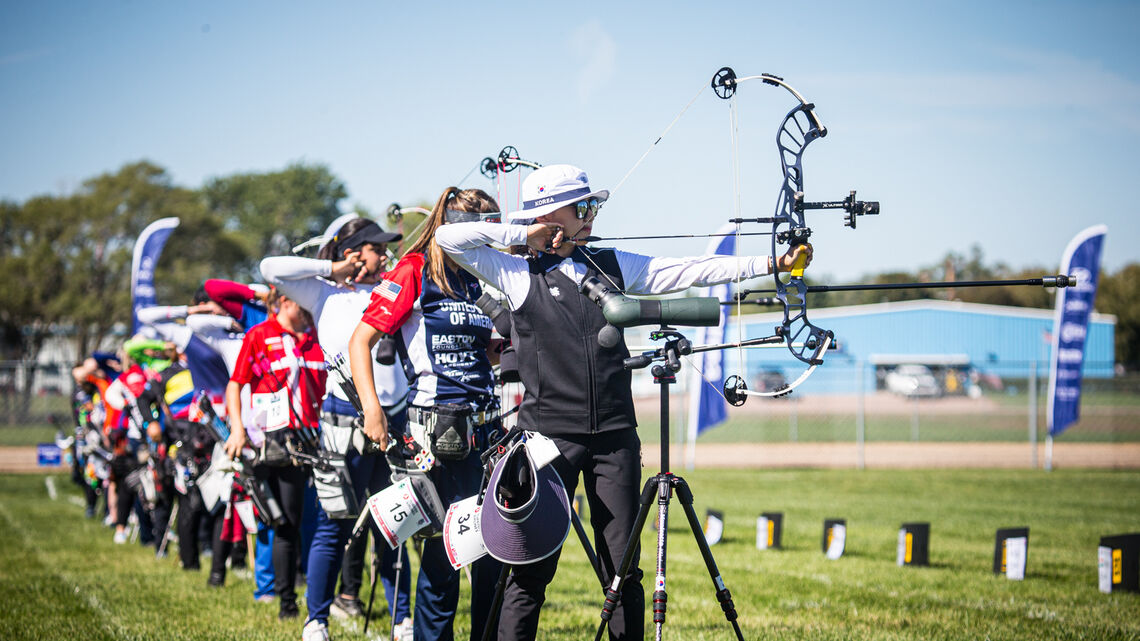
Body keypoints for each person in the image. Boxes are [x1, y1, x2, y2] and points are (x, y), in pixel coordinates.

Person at [434, 164, 813, 641]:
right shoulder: (514, 271)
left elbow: (690, 270)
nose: (593, 215)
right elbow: (447, 238)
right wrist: (523, 233)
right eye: (583, 206)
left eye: (593, 206)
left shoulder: (611, 265)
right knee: (530, 572)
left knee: (622, 570)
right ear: (548, 214)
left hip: (614, 439)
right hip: (547, 442)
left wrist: (773, 264)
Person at [349, 187, 505, 641]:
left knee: (493, 552)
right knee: (444, 556)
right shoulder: (414, 270)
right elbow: (361, 341)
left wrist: (498, 351)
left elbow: (472, 350)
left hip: (487, 430)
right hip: (438, 434)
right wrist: (373, 411)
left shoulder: (475, 277)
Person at [260, 217, 413, 641]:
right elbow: (269, 269)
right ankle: (317, 620)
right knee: (335, 522)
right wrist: (333, 270)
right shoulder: (321, 291)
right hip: (344, 417)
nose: (384, 255)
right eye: (375, 248)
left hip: (395, 418)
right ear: (351, 252)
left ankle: (402, 618)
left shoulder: (391, 289)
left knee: (396, 522)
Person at [223, 288, 327, 620]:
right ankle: (286, 600)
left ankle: (323, 592)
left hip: (320, 440)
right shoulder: (259, 335)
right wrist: (237, 429)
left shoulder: (318, 333)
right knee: (284, 522)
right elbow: (235, 384)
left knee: (321, 523)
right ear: (284, 301)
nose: (308, 308)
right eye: (301, 300)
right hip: (279, 445)